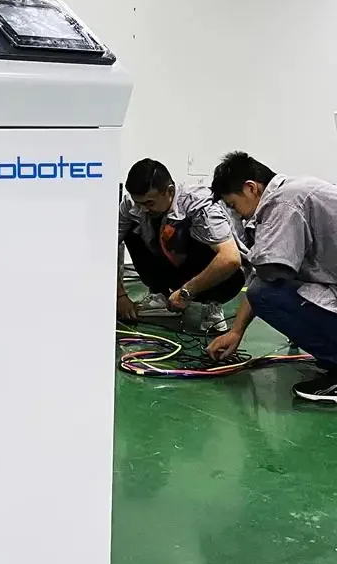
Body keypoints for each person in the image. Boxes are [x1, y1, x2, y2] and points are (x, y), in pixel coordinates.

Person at [207, 152, 337, 404]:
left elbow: (268, 276)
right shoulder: (294, 192)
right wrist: (237, 331)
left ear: (251, 188)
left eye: (233, 205)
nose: (238, 215)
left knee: (265, 294)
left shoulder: (283, 202)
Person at [118, 159, 245, 334]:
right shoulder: (132, 205)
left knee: (197, 235)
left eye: (149, 203)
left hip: (208, 269)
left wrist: (186, 292)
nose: (143, 208)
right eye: (138, 203)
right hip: (169, 264)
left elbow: (231, 258)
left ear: (170, 191)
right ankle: (160, 294)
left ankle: (212, 303)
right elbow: (106, 247)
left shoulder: (199, 204)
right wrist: (120, 295)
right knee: (130, 229)